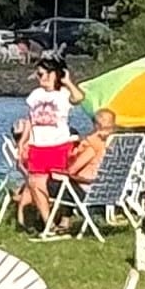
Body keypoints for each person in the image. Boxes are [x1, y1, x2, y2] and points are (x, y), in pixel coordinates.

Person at [16, 59, 85, 231]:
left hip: (58, 145)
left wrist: (68, 81)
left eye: (44, 74)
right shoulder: (35, 95)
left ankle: (63, 218)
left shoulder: (63, 94)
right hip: (37, 145)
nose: (41, 78)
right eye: (38, 74)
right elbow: (30, 121)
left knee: (58, 183)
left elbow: (79, 98)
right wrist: (23, 142)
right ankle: (48, 223)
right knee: (35, 182)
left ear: (54, 74)